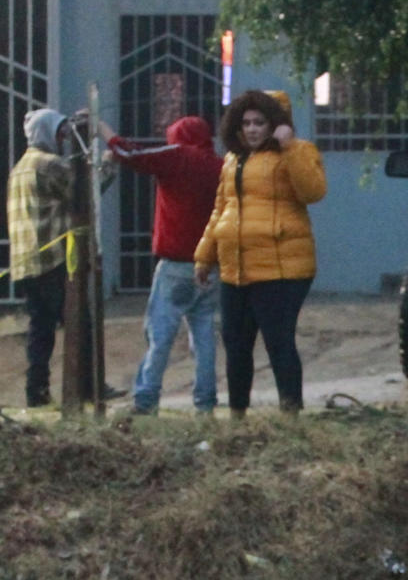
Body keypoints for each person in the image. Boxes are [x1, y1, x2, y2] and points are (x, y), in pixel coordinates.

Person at [195, 91, 325, 416]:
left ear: (275, 124)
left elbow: (313, 191)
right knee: (236, 346)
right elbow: (221, 210)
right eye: (246, 123)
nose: (252, 129)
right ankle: (238, 415)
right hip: (235, 269)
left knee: (278, 343)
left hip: (282, 270)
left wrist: (289, 146)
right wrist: (204, 255)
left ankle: (290, 415)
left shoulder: (298, 151)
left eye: (260, 123)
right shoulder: (232, 160)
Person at [109, 114, 224, 415]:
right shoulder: (220, 166)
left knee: (160, 335)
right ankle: (206, 403)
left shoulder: (179, 157)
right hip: (211, 266)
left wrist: (102, 130)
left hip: (176, 266)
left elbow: (131, 154)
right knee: (204, 336)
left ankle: (146, 399)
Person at [6, 108, 74, 408]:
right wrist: (108, 163)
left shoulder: (20, 166)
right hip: (51, 258)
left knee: (40, 329)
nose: (63, 139)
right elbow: (84, 192)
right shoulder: (49, 165)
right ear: (48, 133)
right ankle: (85, 385)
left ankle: (37, 391)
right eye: (60, 132)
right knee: (76, 322)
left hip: (24, 262)